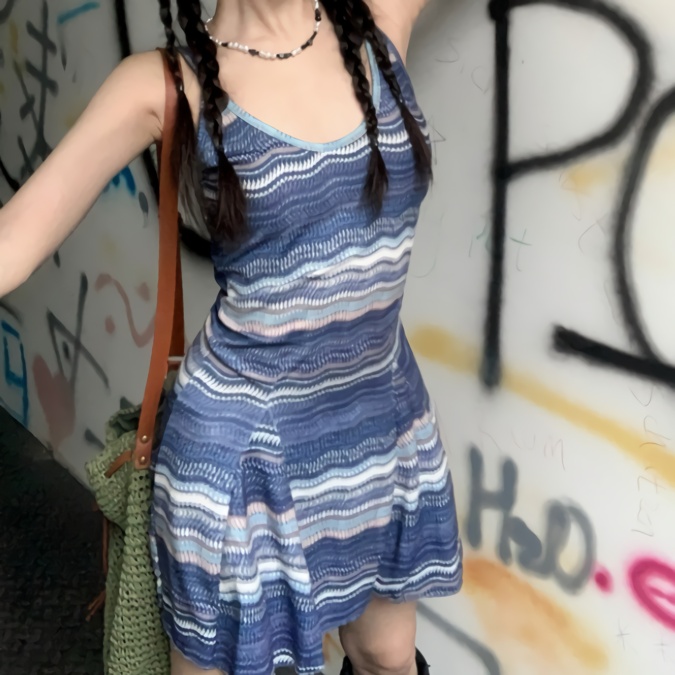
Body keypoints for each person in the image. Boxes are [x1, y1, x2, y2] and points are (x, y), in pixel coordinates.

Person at [0, 0, 462, 673]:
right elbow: (12, 242)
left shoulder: (376, 21)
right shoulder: (165, 83)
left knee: (386, 656)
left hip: (379, 424)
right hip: (243, 456)